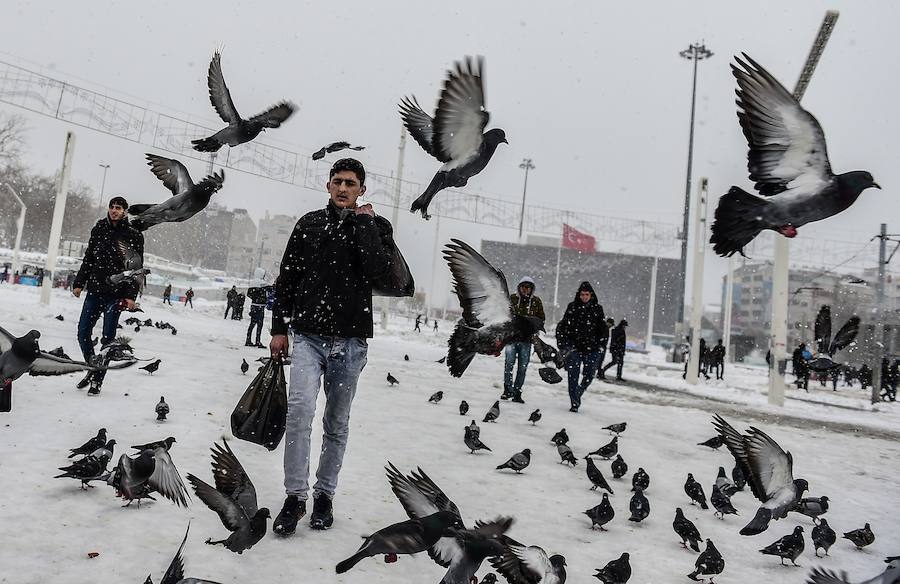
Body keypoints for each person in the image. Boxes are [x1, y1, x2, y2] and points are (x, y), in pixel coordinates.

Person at [269, 158, 398, 535]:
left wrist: (364, 223)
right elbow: (287, 277)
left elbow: (378, 271)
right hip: (308, 337)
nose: (343, 188)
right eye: (338, 182)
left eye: (351, 183)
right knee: (299, 413)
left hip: (351, 342)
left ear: (362, 190)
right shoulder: (308, 224)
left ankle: (324, 495)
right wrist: (279, 328)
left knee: (336, 423)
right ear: (328, 185)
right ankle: (295, 497)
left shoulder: (375, 226)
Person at [72, 196, 143, 396]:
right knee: (82, 332)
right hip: (94, 290)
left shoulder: (134, 235)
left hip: (116, 295)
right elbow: (89, 259)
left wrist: (130, 296)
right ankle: (93, 367)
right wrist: (79, 283)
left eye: (118, 208)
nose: (114, 210)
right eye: (111, 207)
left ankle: (97, 380)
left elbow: (136, 268)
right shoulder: (99, 229)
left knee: (108, 340)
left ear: (125, 211)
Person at [556, 281, 606, 413]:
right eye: (582, 294)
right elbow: (563, 326)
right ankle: (574, 402)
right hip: (574, 348)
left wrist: (601, 345)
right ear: (579, 295)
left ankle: (579, 391)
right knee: (573, 374)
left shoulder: (597, 309)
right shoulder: (572, 307)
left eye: (587, 294)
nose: (584, 297)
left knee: (589, 374)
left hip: (592, 348)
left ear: (591, 295)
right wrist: (563, 345)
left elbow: (603, 329)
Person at [501, 276, 545, 403]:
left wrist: (532, 324)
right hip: (511, 338)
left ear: (532, 289)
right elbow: (505, 314)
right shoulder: (513, 299)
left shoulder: (536, 302)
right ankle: (507, 390)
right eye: (524, 287)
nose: (526, 290)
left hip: (527, 340)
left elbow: (541, 318)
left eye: (529, 288)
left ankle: (517, 392)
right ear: (520, 287)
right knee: (509, 365)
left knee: (522, 367)